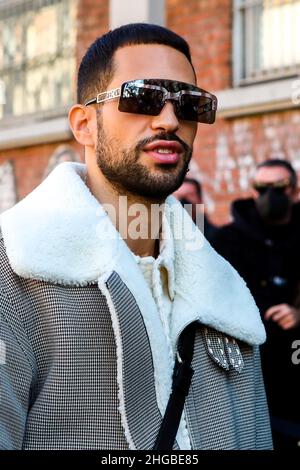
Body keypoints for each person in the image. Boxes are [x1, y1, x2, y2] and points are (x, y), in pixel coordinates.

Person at [0, 23, 272, 450]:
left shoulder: (225, 296)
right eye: (143, 97)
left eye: (189, 104)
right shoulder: (14, 269)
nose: (169, 120)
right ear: (84, 124)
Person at [211, 159, 300, 449]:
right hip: (250, 369)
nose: (269, 195)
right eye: (262, 188)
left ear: (294, 191)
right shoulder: (227, 241)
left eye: (279, 188)